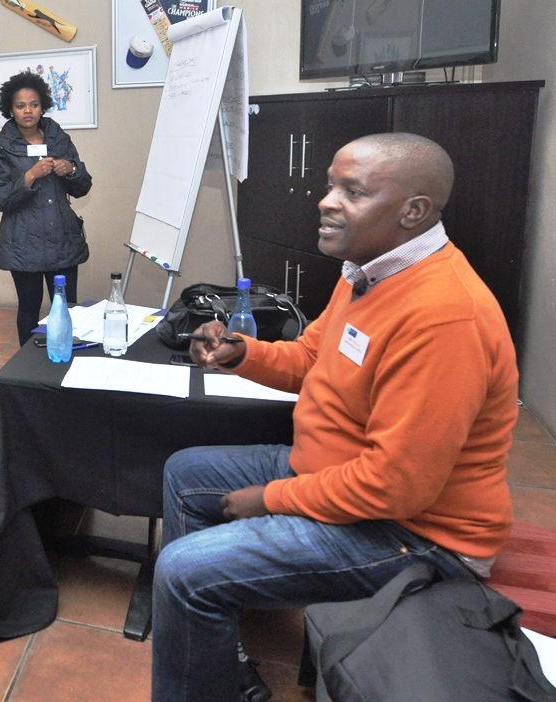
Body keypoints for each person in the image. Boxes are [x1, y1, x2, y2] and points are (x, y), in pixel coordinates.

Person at [151, 134, 518, 702]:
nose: (326, 201)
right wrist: (242, 353)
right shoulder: (364, 272)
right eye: (329, 185)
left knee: (182, 569)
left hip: (419, 535)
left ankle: (202, 620)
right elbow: (311, 358)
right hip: (342, 472)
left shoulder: (444, 316)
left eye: (353, 191)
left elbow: (395, 487)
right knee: (184, 472)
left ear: (413, 211)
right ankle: (220, 658)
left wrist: (270, 498)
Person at [0, 71, 93, 345]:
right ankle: (28, 369)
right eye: (20, 106)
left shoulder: (59, 138)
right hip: (24, 244)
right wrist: (30, 176)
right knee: (29, 311)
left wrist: (71, 169)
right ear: (10, 109)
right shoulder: (0, 148)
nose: (27, 111)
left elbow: (82, 188)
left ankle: (66, 359)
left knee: (68, 308)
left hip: (62, 240)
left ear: (42, 105)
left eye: (33, 104)